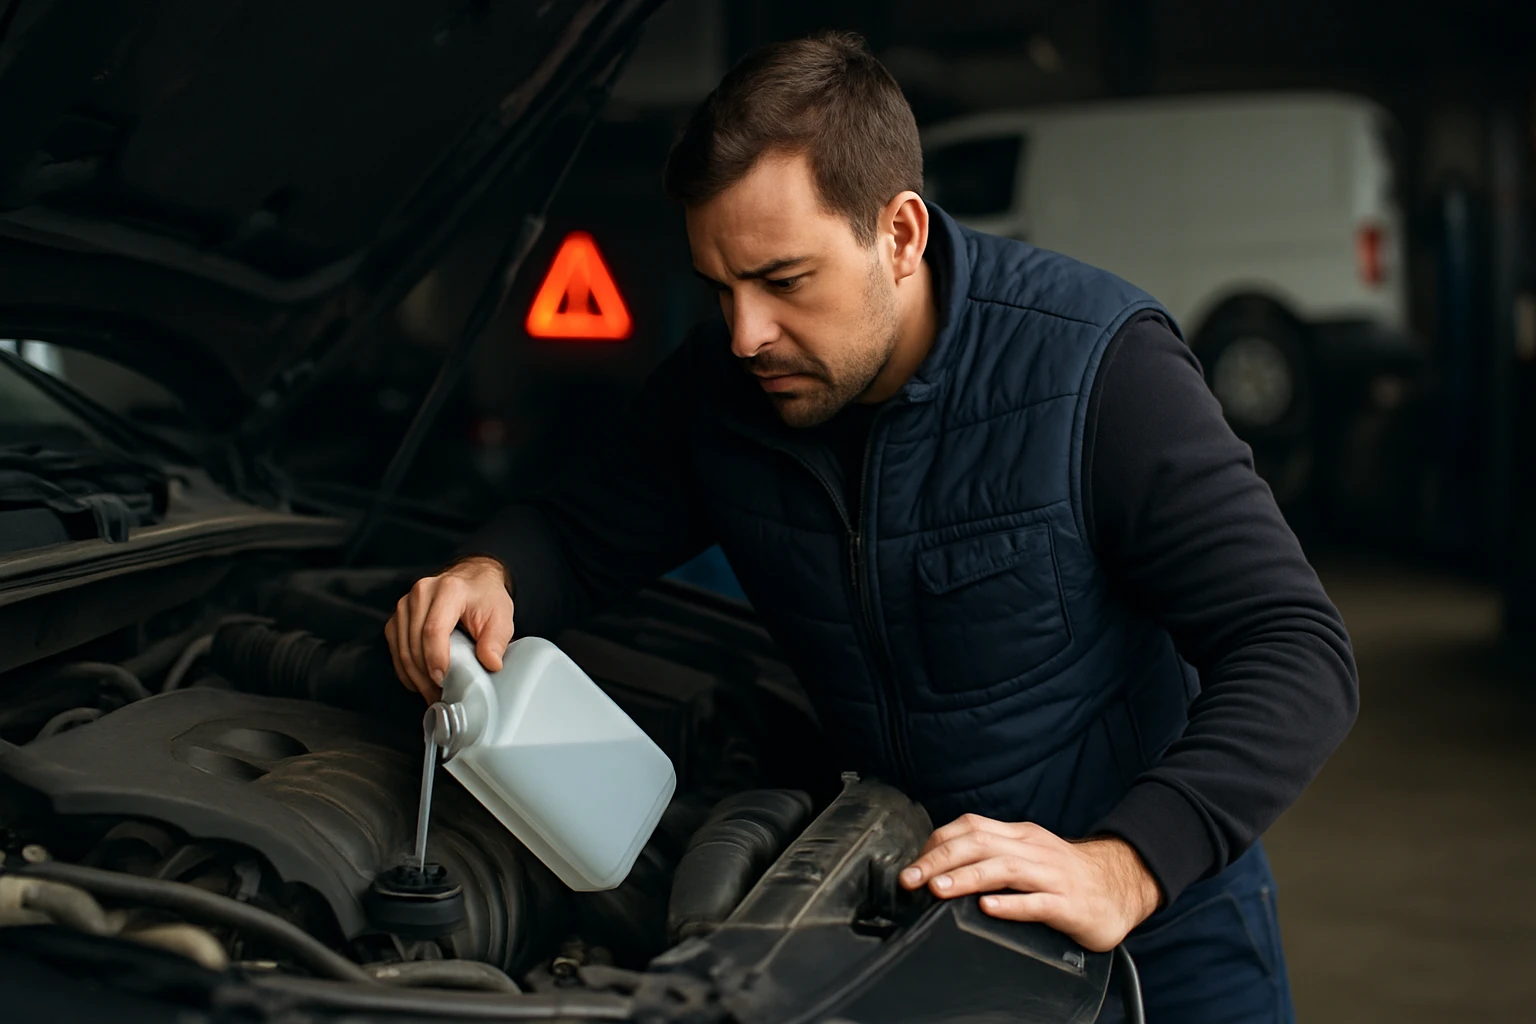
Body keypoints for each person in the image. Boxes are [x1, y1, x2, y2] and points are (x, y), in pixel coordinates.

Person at [385, 31, 1357, 1023]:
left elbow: (1296, 647)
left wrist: (1128, 863)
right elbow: (577, 532)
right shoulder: (720, 395)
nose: (745, 334)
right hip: (917, 937)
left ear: (899, 233)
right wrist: (491, 570)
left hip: (1159, 943)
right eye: (721, 287)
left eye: (784, 280)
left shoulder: (1095, 372)